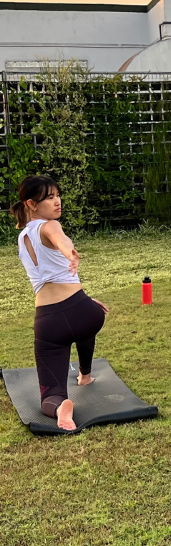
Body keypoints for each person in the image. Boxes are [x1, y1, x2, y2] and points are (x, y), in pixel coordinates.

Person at [10, 175, 109, 432]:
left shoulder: (22, 238)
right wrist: (70, 254)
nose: (57, 201)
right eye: (49, 197)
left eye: (57, 195)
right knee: (84, 325)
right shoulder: (49, 225)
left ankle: (61, 405)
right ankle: (85, 375)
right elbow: (60, 239)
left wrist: (69, 253)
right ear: (31, 204)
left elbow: (59, 247)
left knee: (49, 398)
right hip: (85, 312)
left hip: (49, 323)